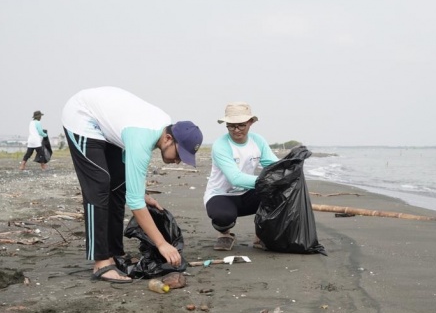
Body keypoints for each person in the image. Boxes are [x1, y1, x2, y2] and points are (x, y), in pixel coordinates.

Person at [61, 86, 203, 283]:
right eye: (179, 155)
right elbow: (135, 203)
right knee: (99, 185)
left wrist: (142, 194)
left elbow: (129, 172)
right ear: (169, 139)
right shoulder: (142, 139)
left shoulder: (160, 129)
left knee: (118, 185)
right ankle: (102, 262)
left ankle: (115, 253)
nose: (178, 161)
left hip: (106, 125)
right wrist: (161, 244)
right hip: (82, 115)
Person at [203, 102, 278, 251]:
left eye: (241, 125)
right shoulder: (221, 145)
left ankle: (261, 235)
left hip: (247, 193)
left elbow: (274, 166)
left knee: (278, 195)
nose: (236, 130)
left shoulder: (258, 141)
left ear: (250, 122)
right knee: (223, 216)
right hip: (221, 195)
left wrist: (291, 168)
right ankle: (225, 234)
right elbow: (235, 178)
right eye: (231, 126)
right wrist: (266, 182)